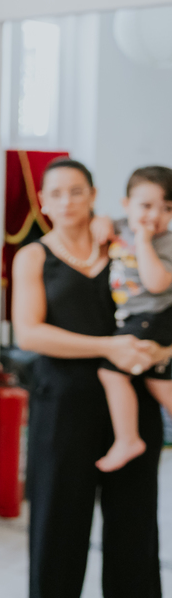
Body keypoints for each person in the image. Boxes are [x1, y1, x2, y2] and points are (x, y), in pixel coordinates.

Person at [12, 158, 172, 598]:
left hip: (131, 400)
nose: (67, 202)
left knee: (134, 518)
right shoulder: (34, 257)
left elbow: (156, 309)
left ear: (93, 195)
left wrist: (160, 350)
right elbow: (30, 332)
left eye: (76, 192)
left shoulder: (120, 244)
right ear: (43, 202)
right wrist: (107, 348)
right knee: (60, 517)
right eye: (56, 193)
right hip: (62, 405)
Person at [88, 165, 172, 471]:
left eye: (166, 208)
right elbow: (102, 225)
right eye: (146, 206)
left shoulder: (165, 242)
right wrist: (102, 220)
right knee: (161, 384)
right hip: (135, 316)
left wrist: (145, 242)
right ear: (126, 205)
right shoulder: (121, 225)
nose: (154, 216)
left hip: (153, 315)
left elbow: (157, 284)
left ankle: (128, 439)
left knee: (111, 374)